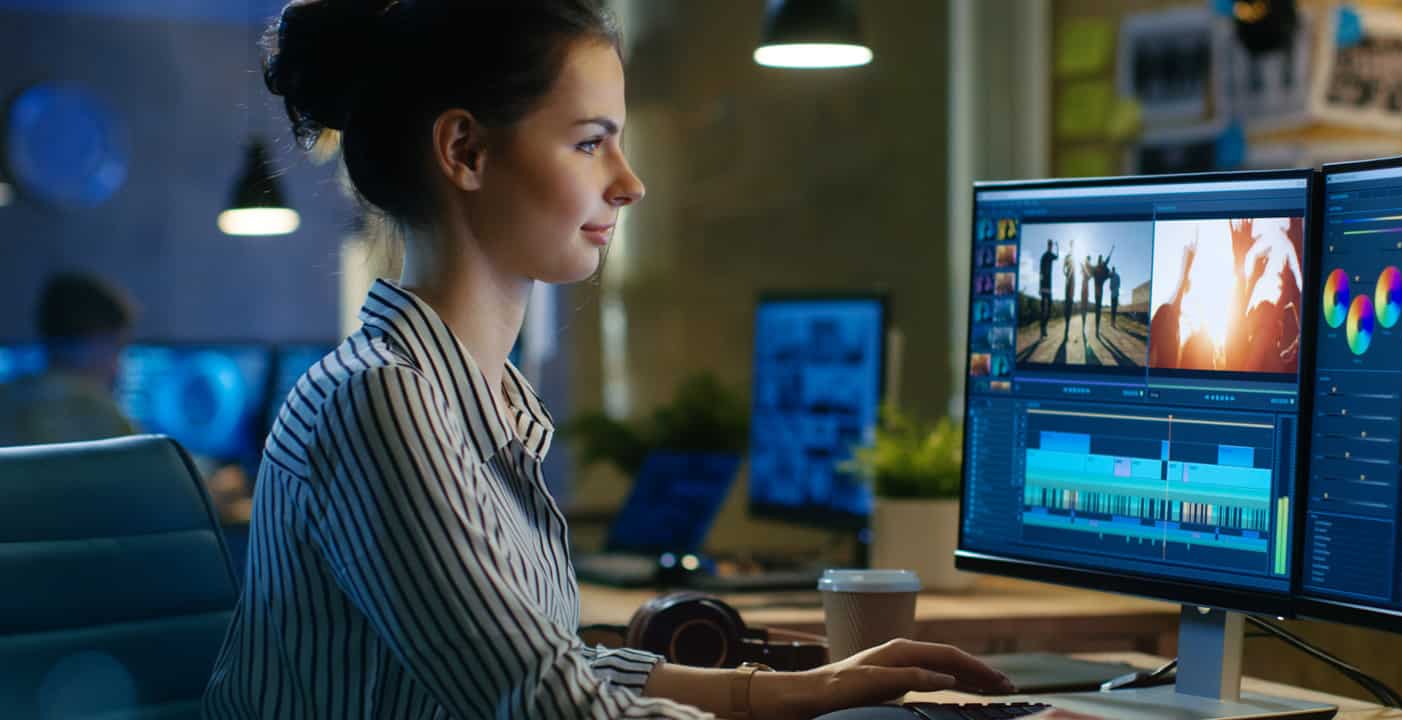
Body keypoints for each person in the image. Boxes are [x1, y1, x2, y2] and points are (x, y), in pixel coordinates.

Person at [202, 2, 1014, 718]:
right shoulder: (380, 402)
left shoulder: (476, 395)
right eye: (592, 143)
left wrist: (811, 689)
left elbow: (555, 665)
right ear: (465, 152)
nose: (630, 184)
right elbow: (547, 705)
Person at [0, 272, 137, 446]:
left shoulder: (5, 399)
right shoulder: (102, 416)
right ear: (96, 340)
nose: (118, 367)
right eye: (118, 348)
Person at [1037, 239, 1057, 335]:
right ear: (1047, 245)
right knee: (1042, 309)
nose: (1050, 246)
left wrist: (1058, 246)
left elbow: (1057, 257)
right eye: (1049, 245)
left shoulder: (1051, 255)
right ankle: (1042, 329)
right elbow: (1040, 272)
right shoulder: (1044, 256)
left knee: (1049, 308)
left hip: (1049, 286)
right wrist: (1039, 287)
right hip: (1043, 285)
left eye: (1051, 245)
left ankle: (1044, 326)